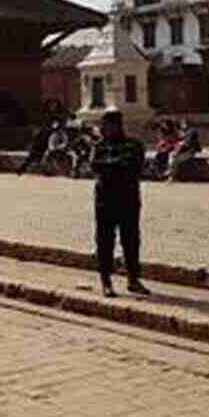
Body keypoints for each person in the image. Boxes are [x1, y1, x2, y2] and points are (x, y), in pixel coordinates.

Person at [90, 110, 150, 298]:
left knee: (131, 240)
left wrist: (109, 166)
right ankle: (106, 281)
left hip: (128, 199)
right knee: (104, 241)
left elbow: (134, 167)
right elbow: (95, 165)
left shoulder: (133, 145)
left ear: (116, 126)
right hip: (104, 200)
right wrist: (117, 166)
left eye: (106, 126)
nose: (103, 130)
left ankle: (133, 279)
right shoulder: (99, 146)